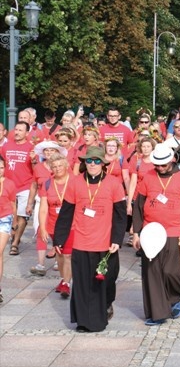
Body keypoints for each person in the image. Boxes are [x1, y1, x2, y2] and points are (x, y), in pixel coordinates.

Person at [53, 146, 128, 332]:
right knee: (83, 284)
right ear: (85, 163)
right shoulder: (75, 182)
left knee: (106, 281)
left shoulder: (113, 183)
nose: (92, 164)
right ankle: (84, 322)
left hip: (105, 243)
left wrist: (117, 239)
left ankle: (104, 309)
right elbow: (66, 213)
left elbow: (120, 215)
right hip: (82, 242)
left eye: (96, 161)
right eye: (89, 161)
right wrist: (59, 239)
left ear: (103, 163)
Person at [132, 143, 180, 326]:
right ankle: (157, 313)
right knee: (152, 273)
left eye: (163, 164)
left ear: (172, 160)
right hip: (150, 231)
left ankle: (175, 297)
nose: (159, 168)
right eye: (157, 165)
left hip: (173, 232)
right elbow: (138, 205)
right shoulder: (149, 177)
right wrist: (136, 232)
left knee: (170, 270)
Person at [38, 154, 73, 298]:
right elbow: (43, 208)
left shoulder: (74, 181)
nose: (58, 169)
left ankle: (66, 283)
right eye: (54, 167)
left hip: (72, 225)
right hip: (54, 225)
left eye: (60, 166)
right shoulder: (47, 183)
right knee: (59, 253)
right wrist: (42, 227)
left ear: (66, 167)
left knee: (67, 254)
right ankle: (62, 279)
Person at [1, 121, 35, 256]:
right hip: (8, 186)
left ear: (27, 133)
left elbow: (35, 168)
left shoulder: (31, 147)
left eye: (21, 130)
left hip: (24, 186)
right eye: (16, 129)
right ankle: (12, 233)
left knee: (23, 215)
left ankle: (15, 242)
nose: (17, 132)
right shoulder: (6, 146)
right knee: (9, 213)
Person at [0, 156, 17, 303]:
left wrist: (15, 223)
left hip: (4, 219)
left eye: (1, 167)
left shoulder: (9, 183)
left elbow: (13, 204)